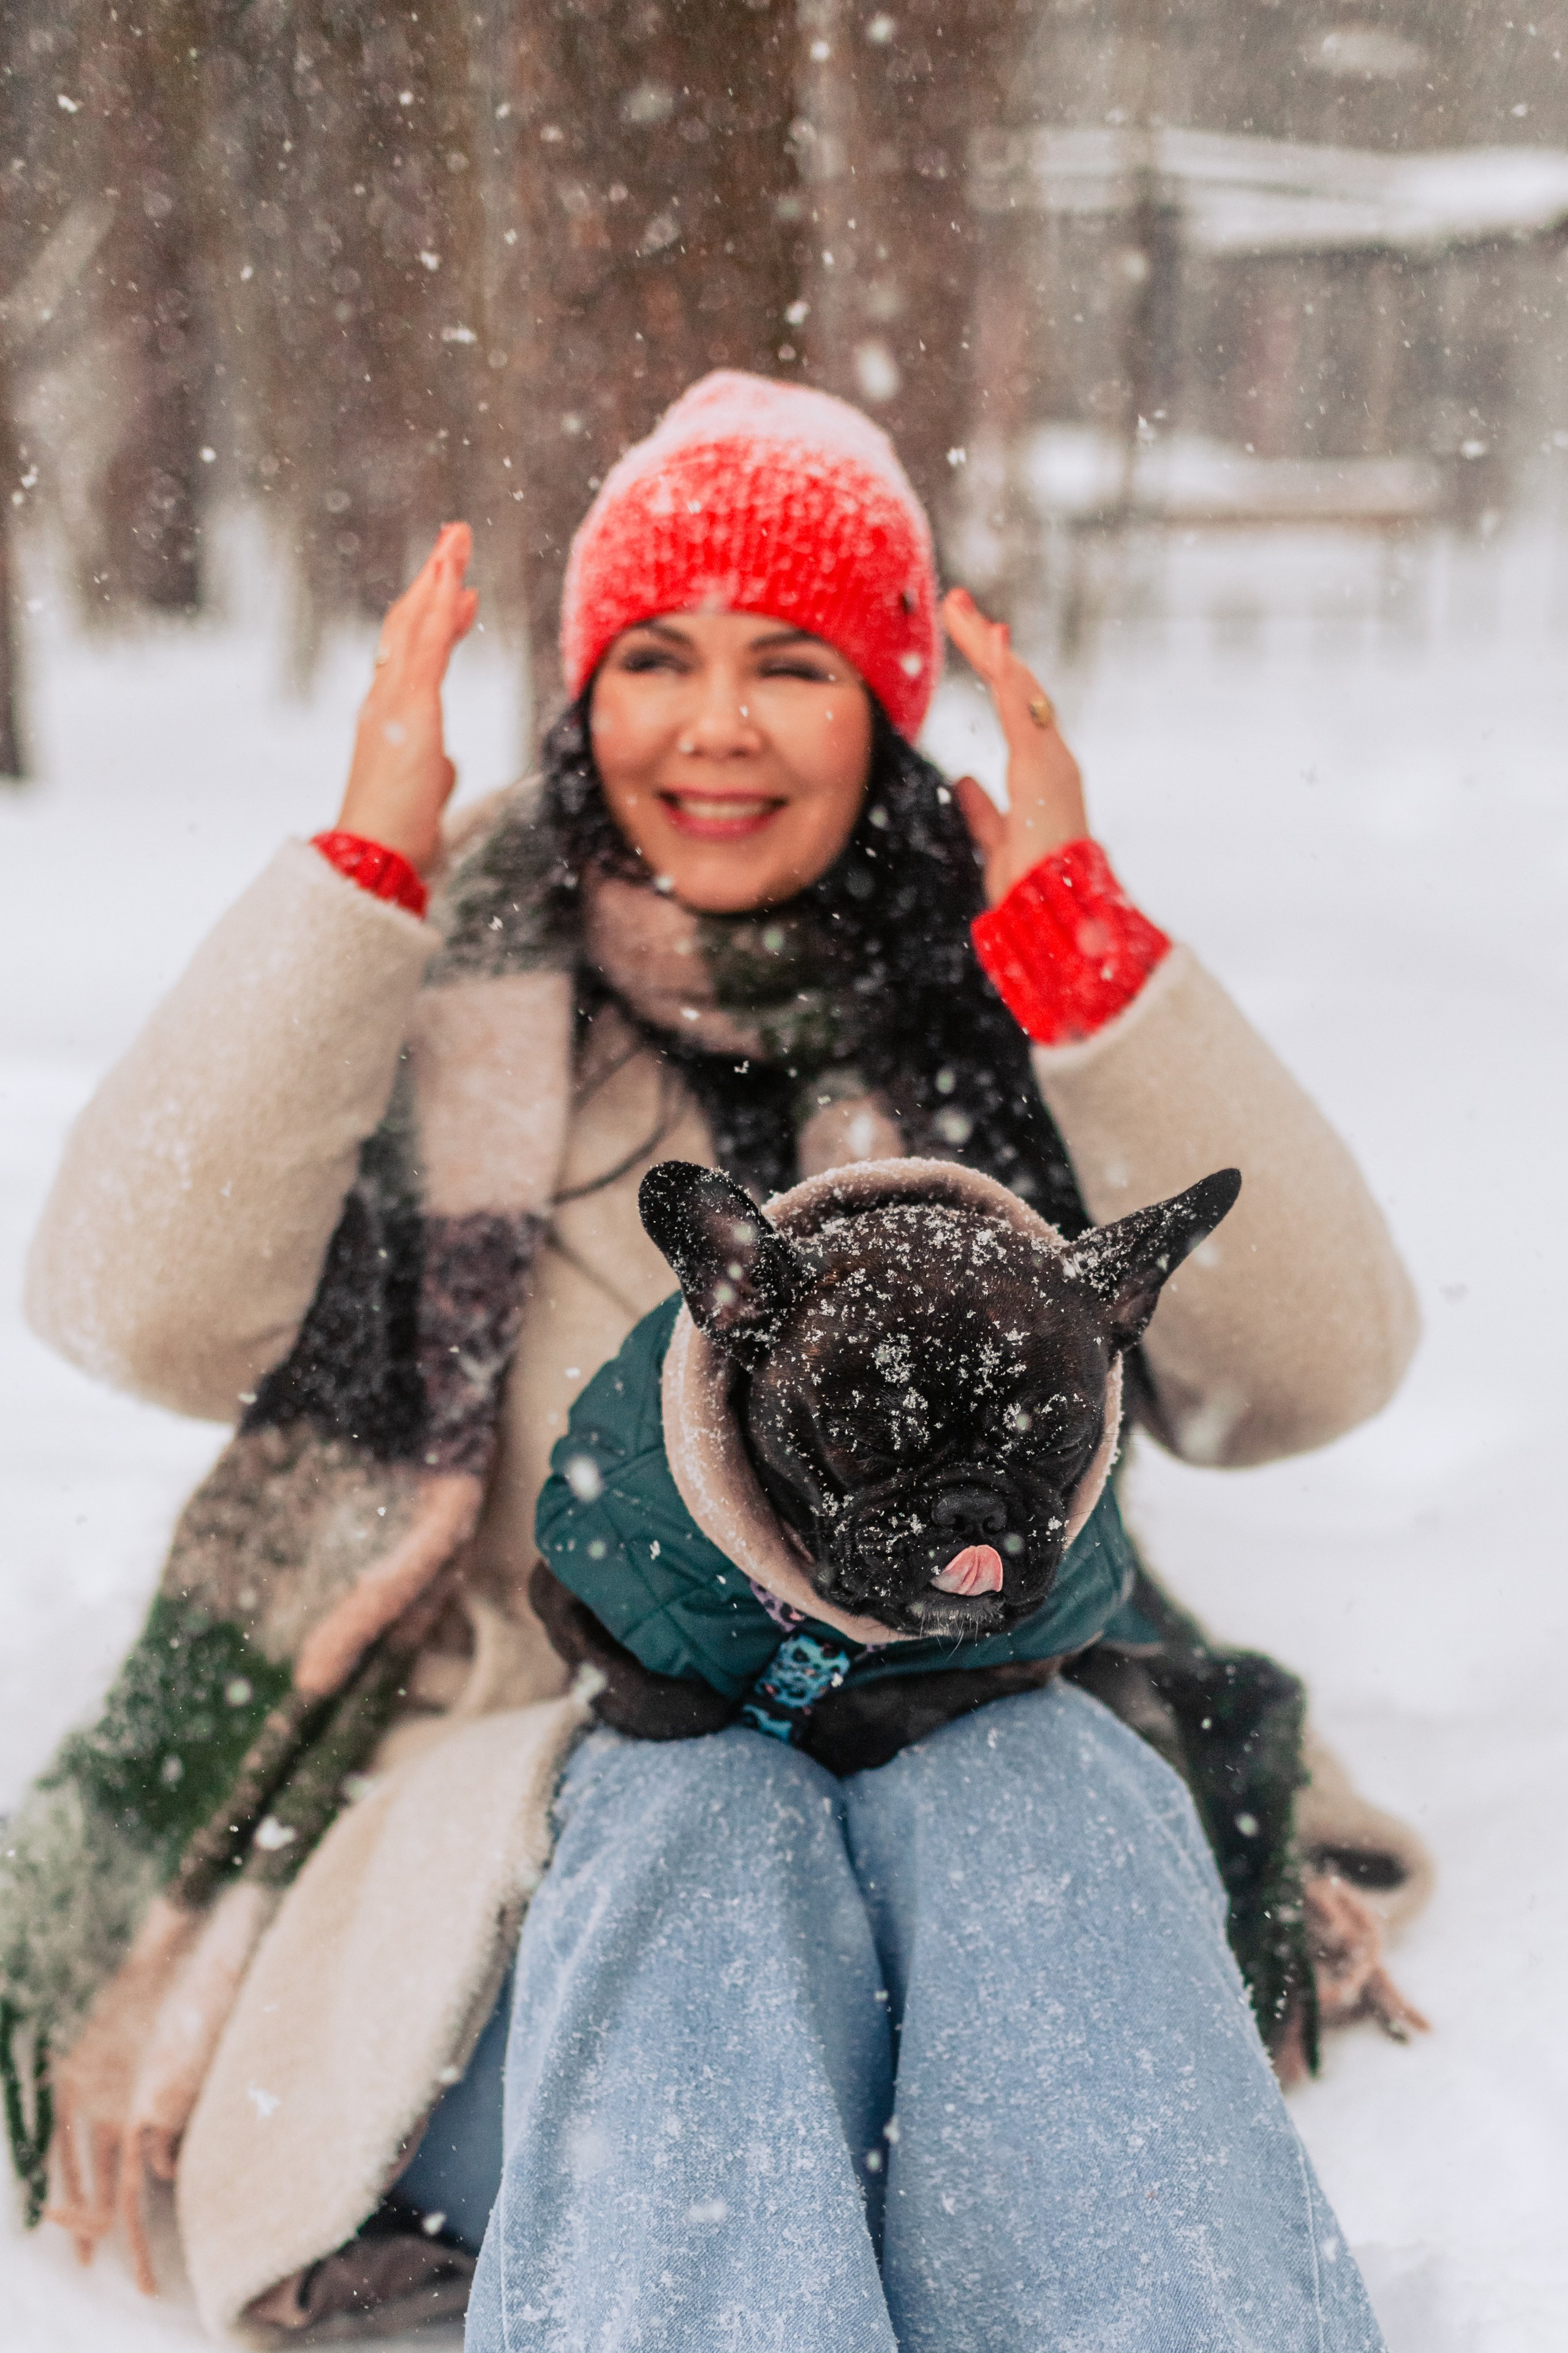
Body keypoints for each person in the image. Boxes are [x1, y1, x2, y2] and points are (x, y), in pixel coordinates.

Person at [10, 374, 1420, 2345]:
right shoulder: (445, 990)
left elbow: (1321, 1370)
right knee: (700, 1805)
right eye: (656, 657)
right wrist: (366, 877)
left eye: (795, 663)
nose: (718, 723)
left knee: (1042, 1775)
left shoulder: (986, 1003)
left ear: (887, 706)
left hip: (953, 1843)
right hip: (533, 1873)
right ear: (583, 695)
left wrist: (1079, 958)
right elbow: (131, 1305)